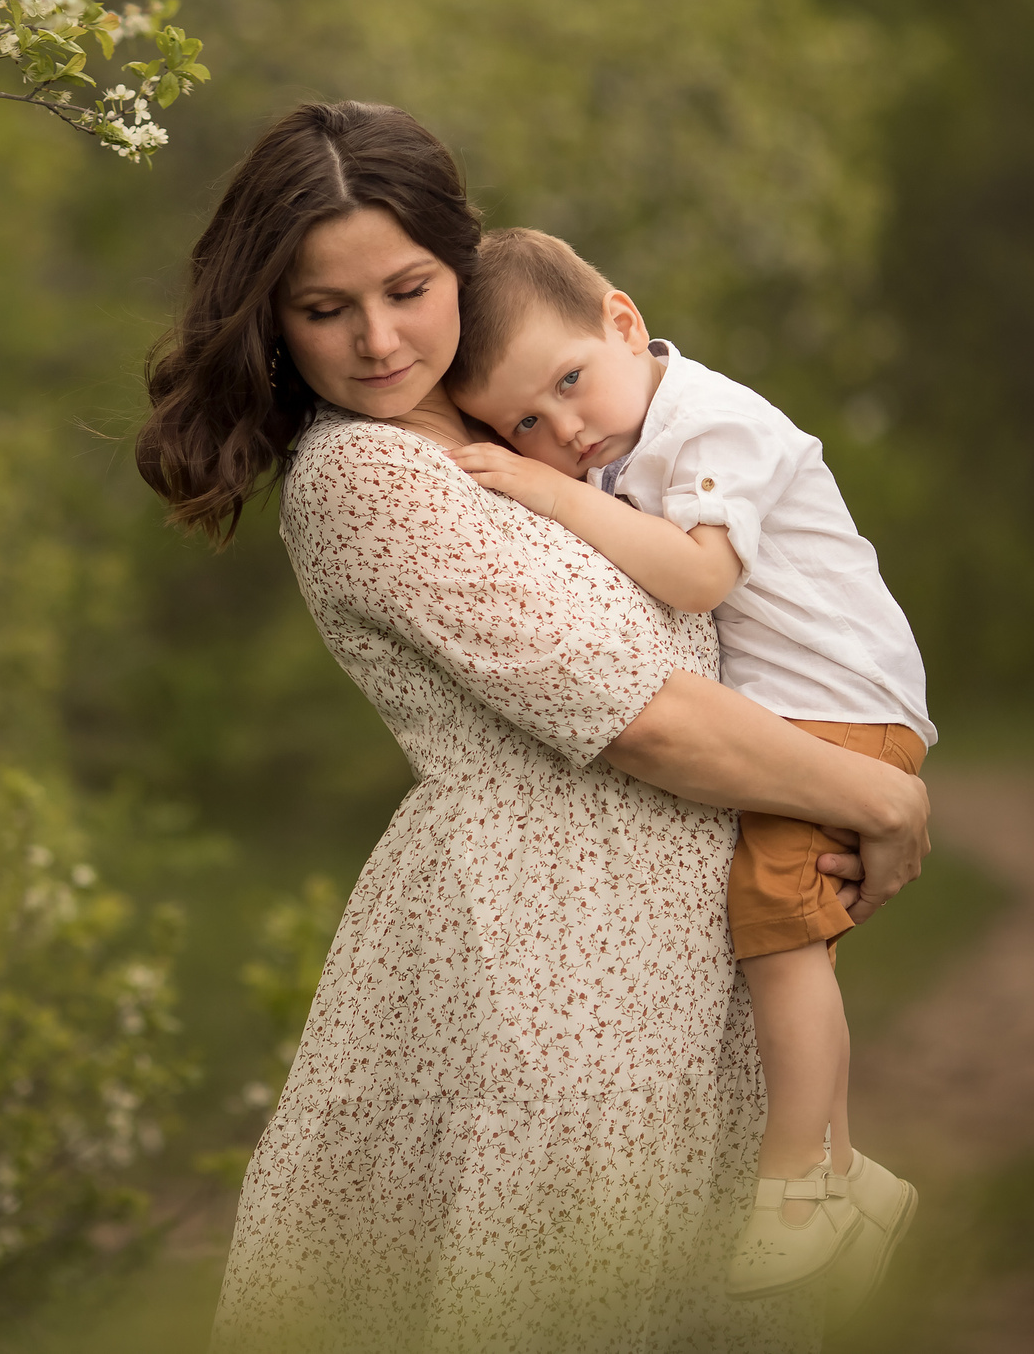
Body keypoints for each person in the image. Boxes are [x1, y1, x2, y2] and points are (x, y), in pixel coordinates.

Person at [135, 101, 930, 1353]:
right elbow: (641, 719)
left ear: (461, 264)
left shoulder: (536, 425)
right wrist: (881, 799)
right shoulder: (369, 477)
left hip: (673, 954)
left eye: (406, 289)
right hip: (548, 963)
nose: (379, 339)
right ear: (275, 325)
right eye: (324, 309)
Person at [443, 228, 932, 1305]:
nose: (562, 430)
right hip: (802, 713)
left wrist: (549, 492)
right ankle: (851, 1184)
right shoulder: (625, 434)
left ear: (623, 321)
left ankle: (799, 1188)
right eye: (524, 420)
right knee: (791, 939)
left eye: (569, 384)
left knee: (776, 932)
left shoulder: (709, 422)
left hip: (839, 708)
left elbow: (701, 578)